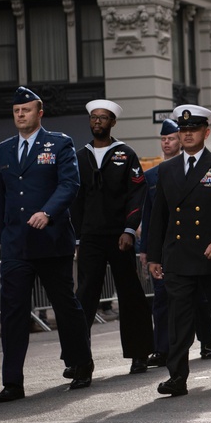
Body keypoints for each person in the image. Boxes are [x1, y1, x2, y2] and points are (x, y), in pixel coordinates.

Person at [0, 87, 94, 402]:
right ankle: (12, 382)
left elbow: (69, 184)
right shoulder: (5, 150)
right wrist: (2, 233)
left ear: (40, 113)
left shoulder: (60, 143)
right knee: (12, 312)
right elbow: (4, 194)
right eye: (16, 111)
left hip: (51, 240)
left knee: (65, 305)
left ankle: (80, 364)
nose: (20, 115)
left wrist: (47, 212)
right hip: (16, 244)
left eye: (26, 110)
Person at [147, 105, 211, 396]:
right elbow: (159, 217)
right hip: (179, 257)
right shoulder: (166, 170)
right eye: (183, 131)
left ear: (206, 132)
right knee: (178, 321)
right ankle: (177, 376)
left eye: (193, 130)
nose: (187, 135)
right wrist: (154, 256)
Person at [71, 99, 153, 375]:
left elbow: (137, 194)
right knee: (83, 297)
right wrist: (78, 239)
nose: (97, 122)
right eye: (93, 117)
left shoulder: (125, 154)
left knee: (130, 294)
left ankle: (140, 354)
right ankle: (79, 359)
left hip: (120, 236)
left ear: (112, 122)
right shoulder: (79, 156)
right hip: (90, 237)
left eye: (103, 118)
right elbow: (75, 200)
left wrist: (130, 229)